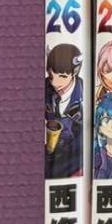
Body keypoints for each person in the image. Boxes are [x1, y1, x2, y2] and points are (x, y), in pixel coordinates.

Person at [45, 43, 83, 178]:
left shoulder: (84, 93)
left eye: (62, 76)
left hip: (74, 158)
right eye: (51, 75)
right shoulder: (45, 88)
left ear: (75, 72)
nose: (55, 83)